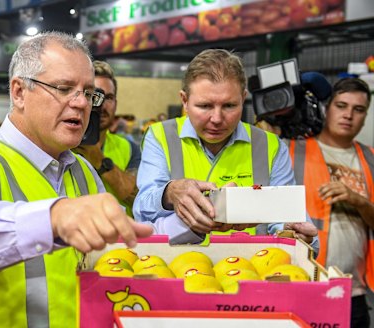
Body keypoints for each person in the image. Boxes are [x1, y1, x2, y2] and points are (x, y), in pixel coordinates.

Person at [0, 32, 153, 327]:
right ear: (18, 92)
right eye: (64, 88)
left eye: (87, 92)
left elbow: (119, 246)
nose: (82, 103)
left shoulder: (83, 170)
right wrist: (54, 217)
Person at [133, 49, 319, 246]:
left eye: (229, 106)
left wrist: (296, 235)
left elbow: (286, 217)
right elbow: (142, 211)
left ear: (243, 98)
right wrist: (169, 193)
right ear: (185, 101)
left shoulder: (269, 146)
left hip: (253, 269)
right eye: (205, 106)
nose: (217, 119)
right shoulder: (161, 136)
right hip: (178, 267)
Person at [287, 78, 373, 328]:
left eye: (358, 110)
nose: (348, 115)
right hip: (300, 281)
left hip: (351, 290)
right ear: (327, 108)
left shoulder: (371, 158)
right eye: (341, 105)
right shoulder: (291, 149)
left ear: (366, 116)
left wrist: (359, 201)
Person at [74, 60, 141, 216]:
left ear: (116, 104)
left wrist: (99, 160)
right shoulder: (60, 144)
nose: (101, 104)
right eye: (94, 95)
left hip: (121, 237)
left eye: (108, 97)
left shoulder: (129, 148)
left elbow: (139, 198)